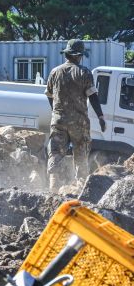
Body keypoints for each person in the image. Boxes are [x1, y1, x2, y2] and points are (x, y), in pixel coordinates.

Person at [45, 39, 106, 191]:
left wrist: (56, 111)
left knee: (55, 153)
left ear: (67, 54)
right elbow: (93, 96)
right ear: (79, 55)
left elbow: (49, 95)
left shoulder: (55, 71)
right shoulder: (84, 72)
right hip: (79, 122)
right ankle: (81, 190)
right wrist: (101, 117)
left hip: (58, 120)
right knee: (80, 154)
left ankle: (53, 188)